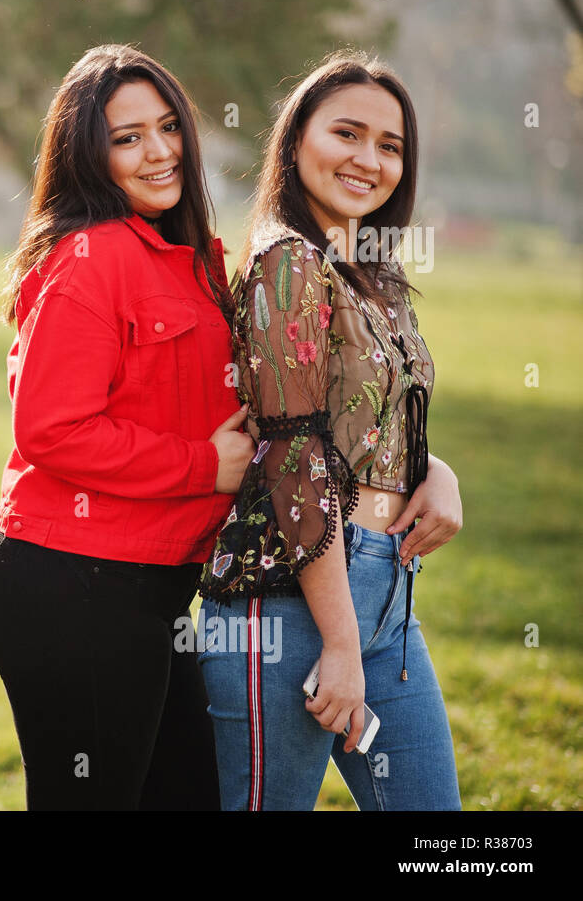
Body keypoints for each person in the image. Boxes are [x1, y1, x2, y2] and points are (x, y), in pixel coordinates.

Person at [0, 44, 252, 810]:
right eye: (127, 137)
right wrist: (205, 465)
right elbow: (53, 430)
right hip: (73, 586)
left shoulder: (185, 257)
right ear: (87, 154)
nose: (159, 151)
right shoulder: (91, 259)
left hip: (149, 594)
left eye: (168, 127)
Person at [198, 50, 464, 810]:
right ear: (296, 141)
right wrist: (339, 643)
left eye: (390, 145)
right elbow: (294, 453)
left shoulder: (372, 270)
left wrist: (432, 469)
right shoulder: (286, 261)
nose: (368, 159)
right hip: (287, 602)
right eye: (347, 133)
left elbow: (365, 418)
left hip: (387, 594)